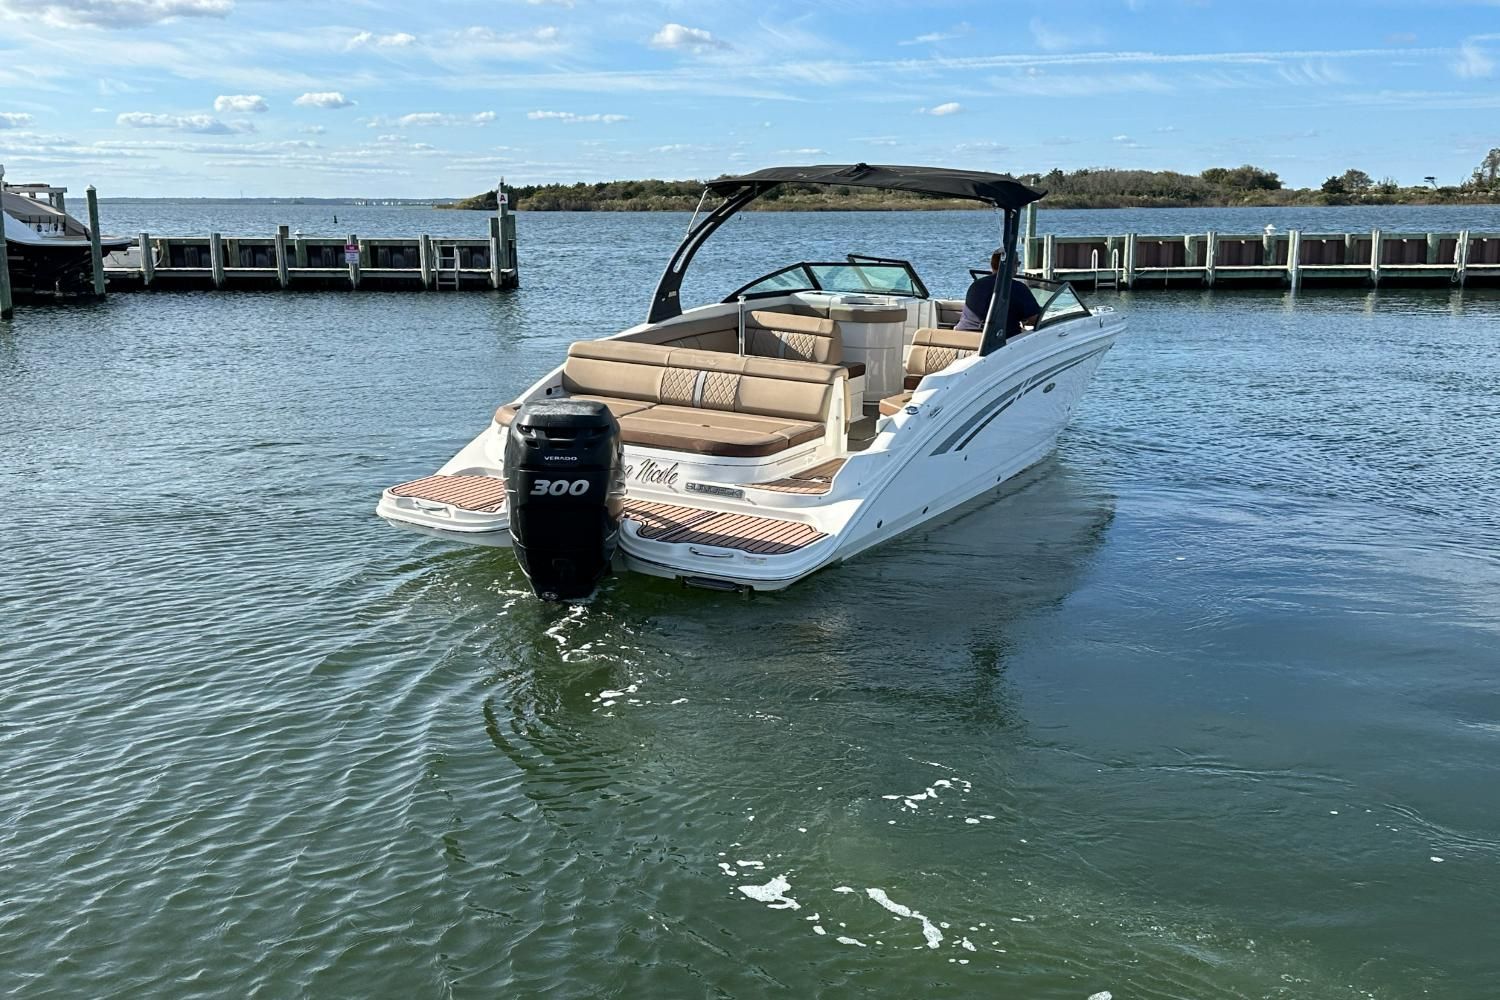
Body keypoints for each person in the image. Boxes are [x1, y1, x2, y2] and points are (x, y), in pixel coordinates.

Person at [954, 249, 1040, 337]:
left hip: (964, 337)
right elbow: (1035, 320)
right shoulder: (1017, 288)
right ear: (1011, 265)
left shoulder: (975, 285)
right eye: (1018, 264)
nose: (1017, 268)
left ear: (992, 265)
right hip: (998, 340)